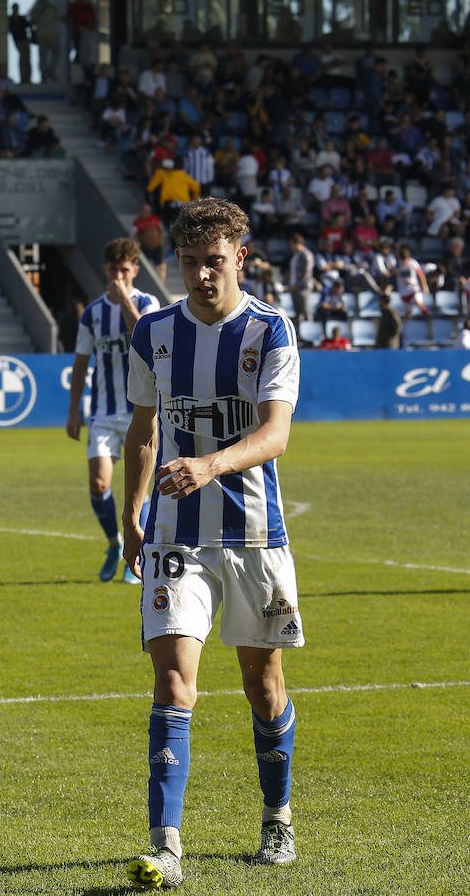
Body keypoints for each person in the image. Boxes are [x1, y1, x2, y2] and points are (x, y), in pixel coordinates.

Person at [122, 198, 303, 889]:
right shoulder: (153, 333)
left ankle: (277, 817)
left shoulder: (270, 330)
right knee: (173, 684)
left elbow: (276, 434)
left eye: (215, 262)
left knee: (263, 687)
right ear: (177, 263)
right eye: (192, 262)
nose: (202, 275)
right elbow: (142, 429)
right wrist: (132, 512)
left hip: (256, 536)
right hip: (175, 537)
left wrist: (208, 464)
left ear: (240, 259)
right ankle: (165, 845)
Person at [67, 238, 161, 584]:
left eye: (126, 270)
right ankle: (112, 543)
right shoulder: (92, 313)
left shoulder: (148, 303)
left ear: (135, 270)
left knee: (139, 493)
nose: (119, 276)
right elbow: (80, 363)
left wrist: (124, 303)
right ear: (106, 271)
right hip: (104, 414)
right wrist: (73, 410)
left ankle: (133, 559)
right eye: (114, 270)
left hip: (143, 412)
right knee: (98, 482)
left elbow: (145, 338)